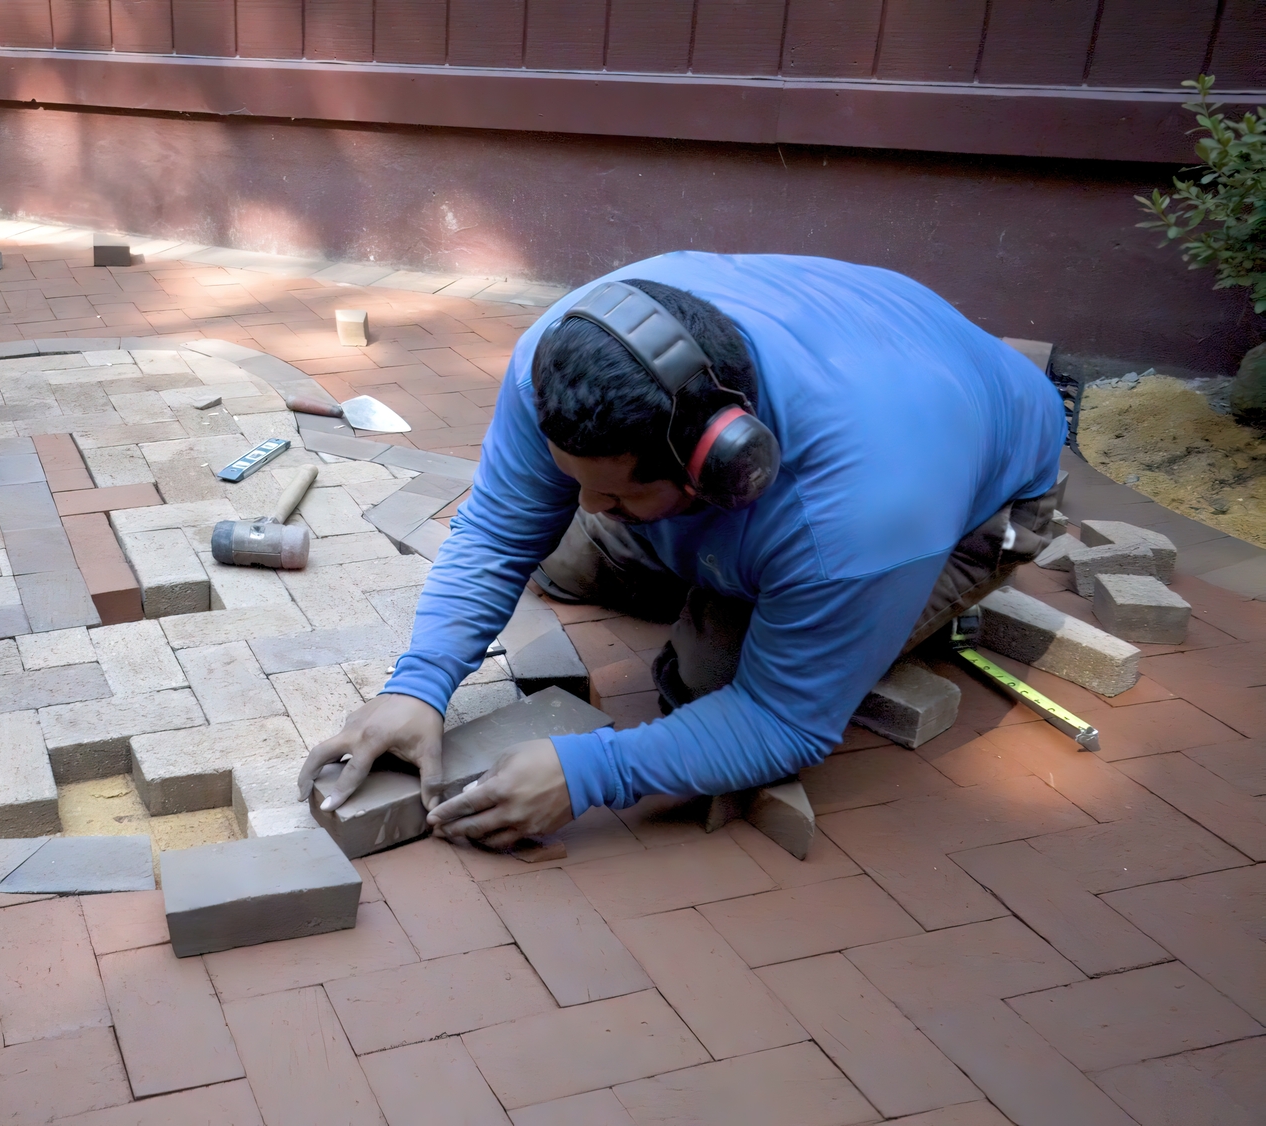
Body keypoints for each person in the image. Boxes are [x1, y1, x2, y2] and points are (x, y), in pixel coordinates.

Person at [297, 252, 1066, 850]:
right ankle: (740, 571)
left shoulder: (864, 509)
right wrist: (418, 684)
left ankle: (845, 598)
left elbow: (783, 721)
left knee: (710, 687)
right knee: (560, 560)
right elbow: (496, 534)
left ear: (725, 468)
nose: (595, 510)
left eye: (621, 498)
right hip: (860, 360)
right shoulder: (571, 350)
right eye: (582, 486)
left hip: (965, 493)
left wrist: (593, 774)